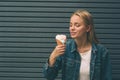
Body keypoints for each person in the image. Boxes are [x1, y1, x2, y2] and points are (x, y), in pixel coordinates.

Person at [43, 9, 112, 80]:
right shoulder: (66, 48)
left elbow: (107, 77)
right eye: (71, 25)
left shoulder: (101, 52)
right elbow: (49, 76)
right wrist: (53, 56)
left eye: (77, 25)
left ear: (88, 28)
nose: (72, 28)